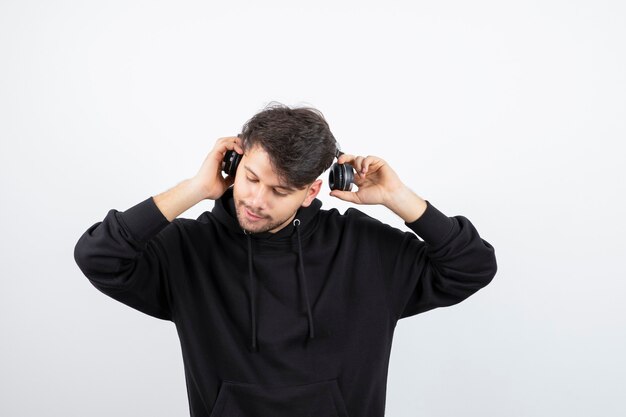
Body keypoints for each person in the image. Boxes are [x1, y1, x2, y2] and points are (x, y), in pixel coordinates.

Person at [74, 102, 497, 417]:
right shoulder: (189, 250)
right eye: (251, 178)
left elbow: (471, 266)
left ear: (311, 192)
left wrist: (398, 198)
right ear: (233, 165)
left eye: (278, 191)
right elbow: (99, 255)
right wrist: (195, 188)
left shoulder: (365, 249)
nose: (256, 200)